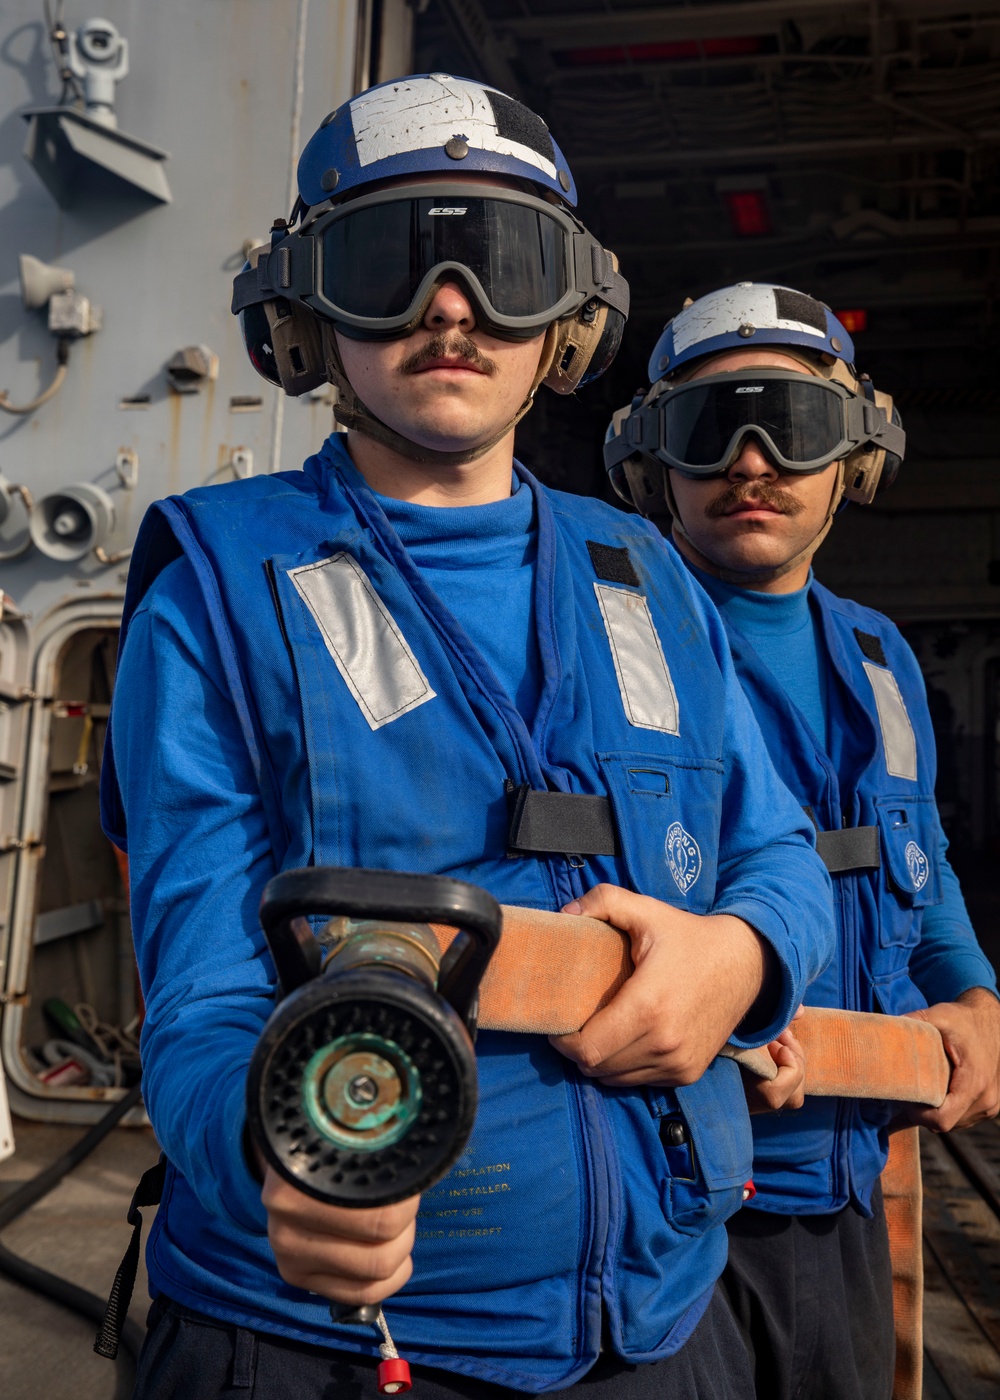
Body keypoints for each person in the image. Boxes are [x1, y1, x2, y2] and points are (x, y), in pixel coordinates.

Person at [101, 84, 834, 1400]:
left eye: (503, 263)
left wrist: (742, 952)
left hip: (663, 1328)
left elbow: (773, 845)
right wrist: (269, 1161)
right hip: (326, 1343)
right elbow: (202, 996)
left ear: (568, 317)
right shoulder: (215, 591)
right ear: (308, 309)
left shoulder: (656, 581)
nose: (451, 305)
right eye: (395, 262)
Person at [605, 281, 1000, 1400]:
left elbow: (914, 855)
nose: (750, 458)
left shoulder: (879, 657)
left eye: (797, 424)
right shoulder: (607, 633)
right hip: (667, 1192)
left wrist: (970, 991)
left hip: (844, 1189)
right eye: (707, 426)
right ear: (650, 462)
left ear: (855, 458)